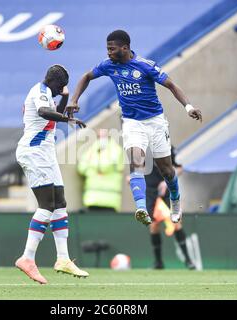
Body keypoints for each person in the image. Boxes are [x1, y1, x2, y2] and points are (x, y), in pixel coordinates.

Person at [68, 30, 202, 226]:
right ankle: (141, 208)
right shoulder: (108, 66)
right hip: (131, 122)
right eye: (107, 49)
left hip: (155, 121)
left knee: (166, 170)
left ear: (125, 48)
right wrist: (74, 100)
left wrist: (188, 107)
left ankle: (175, 200)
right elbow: (87, 76)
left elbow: (171, 85)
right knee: (136, 161)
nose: (108, 53)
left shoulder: (145, 66)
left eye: (112, 49)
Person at [15, 64, 89, 284]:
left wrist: (65, 101)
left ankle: (63, 259)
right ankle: (27, 258)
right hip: (34, 153)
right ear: (55, 82)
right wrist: (68, 120)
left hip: (45, 155)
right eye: (62, 86)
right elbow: (44, 112)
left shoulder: (48, 93)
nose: (62, 90)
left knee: (59, 202)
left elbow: (54, 111)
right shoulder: (39, 92)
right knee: (47, 204)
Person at [145, 146, 196, 270]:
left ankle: (188, 260)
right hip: (151, 191)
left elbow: (179, 168)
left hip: (167, 192)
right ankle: (158, 262)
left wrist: (166, 181)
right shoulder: (141, 147)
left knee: (176, 223)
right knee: (154, 225)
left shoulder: (167, 146)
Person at [77, 129, 124, 212]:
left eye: (104, 136)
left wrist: (92, 168)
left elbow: (106, 166)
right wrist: (92, 170)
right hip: (92, 199)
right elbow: (82, 168)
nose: (102, 139)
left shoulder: (116, 150)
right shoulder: (92, 150)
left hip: (110, 200)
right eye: (100, 136)